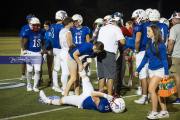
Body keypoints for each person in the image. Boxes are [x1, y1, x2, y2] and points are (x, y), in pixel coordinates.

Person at [39, 70, 119, 113]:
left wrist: (106, 96)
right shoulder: (109, 106)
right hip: (88, 95)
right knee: (85, 78)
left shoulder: (103, 107)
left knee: (62, 100)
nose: (114, 100)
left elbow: (93, 94)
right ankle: (79, 62)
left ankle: (47, 100)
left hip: (81, 101)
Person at [136, 24, 169, 119]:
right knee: (157, 91)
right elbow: (145, 58)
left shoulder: (161, 45)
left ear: (154, 32)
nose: (147, 33)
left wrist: (166, 73)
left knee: (151, 90)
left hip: (160, 70)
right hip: (151, 70)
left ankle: (154, 112)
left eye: (149, 31)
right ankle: (164, 111)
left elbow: (164, 60)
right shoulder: (148, 43)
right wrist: (138, 69)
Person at [97, 17, 125, 95]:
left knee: (101, 75)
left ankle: (100, 94)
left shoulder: (102, 28)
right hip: (109, 53)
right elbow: (122, 42)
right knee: (110, 76)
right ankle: (109, 96)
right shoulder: (116, 28)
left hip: (99, 52)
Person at [21, 17, 44, 92]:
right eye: (35, 25)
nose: (37, 26)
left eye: (38, 25)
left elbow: (43, 42)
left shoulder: (41, 32)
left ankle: (35, 86)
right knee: (30, 70)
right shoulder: (28, 32)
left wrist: (42, 49)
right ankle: (29, 85)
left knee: (38, 70)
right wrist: (24, 50)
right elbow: (24, 42)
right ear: (31, 25)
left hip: (38, 53)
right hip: (29, 53)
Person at [51, 10, 68, 92]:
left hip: (54, 48)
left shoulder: (52, 26)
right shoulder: (62, 26)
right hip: (60, 49)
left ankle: (55, 85)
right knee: (63, 69)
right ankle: (60, 86)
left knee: (56, 68)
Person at [59, 17, 74, 94]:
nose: (73, 24)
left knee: (64, 72)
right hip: (66, 52)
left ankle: (64, 88)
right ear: (69, 23)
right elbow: (70, 44)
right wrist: (74, 46)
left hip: (62, 52)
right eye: (72, 22)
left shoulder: (61, 30)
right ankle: (65, 89)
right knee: (66, 72)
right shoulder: (68, 32)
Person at [167, 11, 180, 104]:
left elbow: (171, 42)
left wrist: (168, 53)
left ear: (175, 19)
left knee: (176, 76)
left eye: (172, 20)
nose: (171, 22)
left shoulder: (174, 28)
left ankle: (178, 98)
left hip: (176, 56)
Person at [19, 14, 35, 81]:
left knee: (35, 61)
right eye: (30, 19)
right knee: (23, 61)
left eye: (32, 18)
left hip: (33, 47)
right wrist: (23, 49)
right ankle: (23, 74)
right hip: (25, 47)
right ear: (28, 20)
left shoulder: (36, 26)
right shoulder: (24, 27)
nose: (31, 20)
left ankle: (34, 74)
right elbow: (21, 38)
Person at [43, 20, 53, 86]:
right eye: (44, 26)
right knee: (44, 66)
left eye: (46, 26)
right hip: (45, 50)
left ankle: (51, 79)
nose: (45, 27)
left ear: (49, 26)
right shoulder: (45, 32)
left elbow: (51, 42)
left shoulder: (51, 32)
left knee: (50, 66)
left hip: (50, 50)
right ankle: (41, 79)